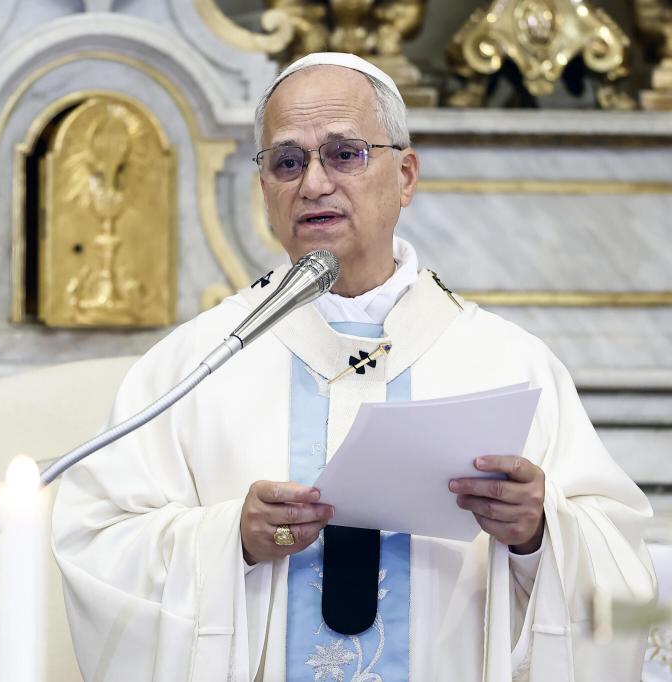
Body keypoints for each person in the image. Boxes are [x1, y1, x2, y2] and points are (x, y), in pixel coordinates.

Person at [51, 52, 656, 681]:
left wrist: (537, 534)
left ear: (406, 176)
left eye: (345, 153)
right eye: (287, 161)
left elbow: (621, 575)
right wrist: (234, 538)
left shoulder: (508, 362)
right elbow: (97, 546)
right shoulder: (197, 362)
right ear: (264, 189)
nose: (312, 183)